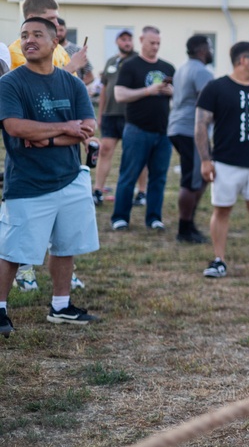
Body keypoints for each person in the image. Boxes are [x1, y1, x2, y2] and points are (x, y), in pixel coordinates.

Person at [0, 17, 101, 333]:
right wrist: (65, 127)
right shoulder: (11, 83)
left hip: (71, 177)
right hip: (28, 181)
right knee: (12, 250)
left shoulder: (71, 83)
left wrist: (49, 138)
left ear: (55, 40)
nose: (28, 40)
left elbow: (88, 126)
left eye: (36, 34)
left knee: (65, 244)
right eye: (24, 35)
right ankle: (0, 309)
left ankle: (61, 306)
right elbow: (15, 126)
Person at [195, 41, 249, 281]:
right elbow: (201, 124)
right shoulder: (215, 88)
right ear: (243, 60)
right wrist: (205, 160)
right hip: (225, 162)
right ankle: (219, 260)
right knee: (222, 210)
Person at [111, 25, 175, 232]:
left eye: (158, 43)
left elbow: (178, 95)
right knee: (128, 175)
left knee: (159, 177)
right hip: (137, 129)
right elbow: (120, 95)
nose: (155, 47)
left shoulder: (168, 67)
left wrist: (170, 92)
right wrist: (148, 91)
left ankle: (154, 218)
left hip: (163, 132)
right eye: (151, 43)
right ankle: (120, 217)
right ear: (141, 41)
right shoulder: (131, 66)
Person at [167, 34, 215, 243]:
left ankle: (189, 223)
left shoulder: (182, 69)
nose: (212, 51)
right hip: (190, 130)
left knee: (201, 177)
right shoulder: (202, 71)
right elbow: (209, 103)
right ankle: (184, 229)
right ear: (202, 50)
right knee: (191, 179)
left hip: (177, 126)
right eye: (210, 47)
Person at [94, 29, 145, 206]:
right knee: (105, 150)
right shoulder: (111, 61)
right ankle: (98, 191)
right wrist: (100, 115)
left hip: (131, 114)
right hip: (110, 114)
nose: (127, 42)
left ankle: (142, 192)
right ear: (117, 42)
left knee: (137, 153)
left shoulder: (138, 60)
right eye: (123, 39)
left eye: (129, 39)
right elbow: (103, 91)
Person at [6, 0, 89, 76]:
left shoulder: (59, 49)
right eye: (50, 18)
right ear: (31, 18)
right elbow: (34, 85)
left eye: (56, 18)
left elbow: (70, 85)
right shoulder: (15, 52)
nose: (56, 24)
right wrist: (72, 66)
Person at [56, 17, 94, 86]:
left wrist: (77, 87)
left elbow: (90, 77)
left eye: (61, 30)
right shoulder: (47, 50)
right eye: (56, 30)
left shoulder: (77, 50)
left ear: (66, 30)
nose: (58, 33)